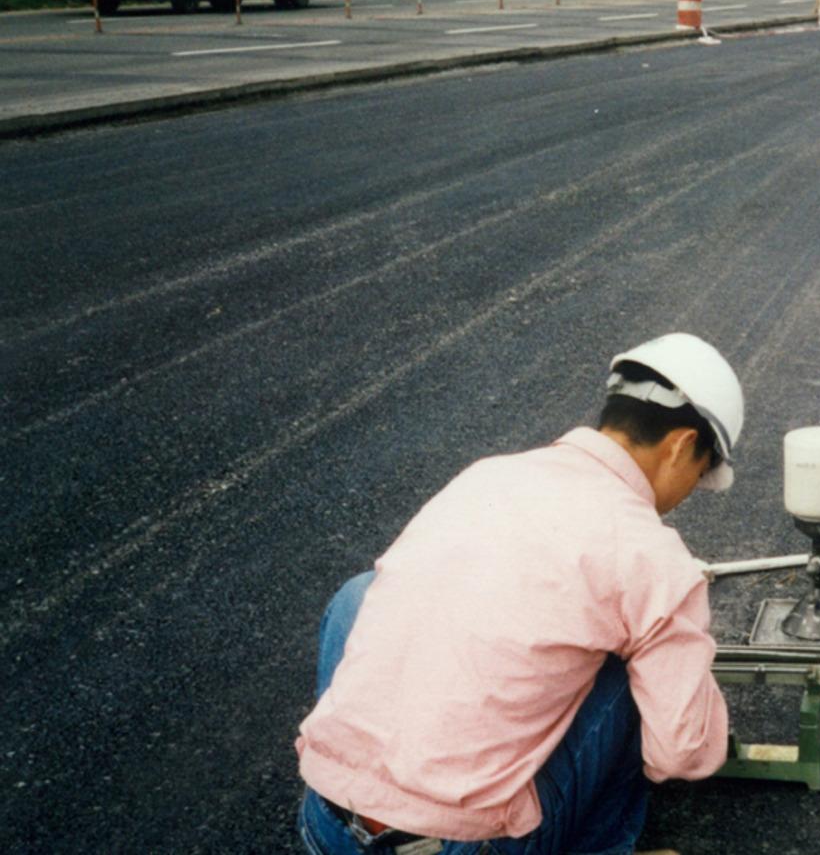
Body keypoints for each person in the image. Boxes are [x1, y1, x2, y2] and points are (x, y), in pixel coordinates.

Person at [295, 333, 745, 855]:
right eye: (699, 475)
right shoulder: (650, 551)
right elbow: (683, 753)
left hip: (324, 828)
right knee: (630, 671)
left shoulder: (485, 477)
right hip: (462, 847)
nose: (688, 492)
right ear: (682, 445)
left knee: (365, 592)